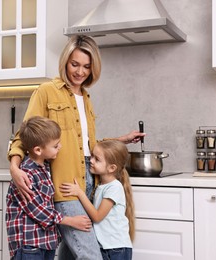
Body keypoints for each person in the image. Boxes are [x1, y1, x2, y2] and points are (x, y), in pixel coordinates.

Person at [8, 35, 144, 260]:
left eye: (87, 67)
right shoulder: (46, 91)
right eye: (75, 64)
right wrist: (14, 167)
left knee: (70, 254)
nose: (80, 72)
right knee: (90, 255)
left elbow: (88, 146)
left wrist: (122, 139)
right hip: (66, 185)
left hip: (90, 184)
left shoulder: (86, 97)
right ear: (65, 62)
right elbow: (24, 135)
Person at [6, 116, 92, 260]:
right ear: (38, 150)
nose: (60, 147)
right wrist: (70, 220)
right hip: (29, 245)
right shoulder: (26, 174)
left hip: (45, 243)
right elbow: (37, 210)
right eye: (55, 145)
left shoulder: (44, 168)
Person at [60, 140, 135, 260]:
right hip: (106, 246)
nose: (91, 161)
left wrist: (79, 193)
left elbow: (97, 216)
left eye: (97, 159)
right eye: (92, 156)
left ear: (111, 168)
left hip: (116, 249)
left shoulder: (114, 187)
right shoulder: (100, 185)